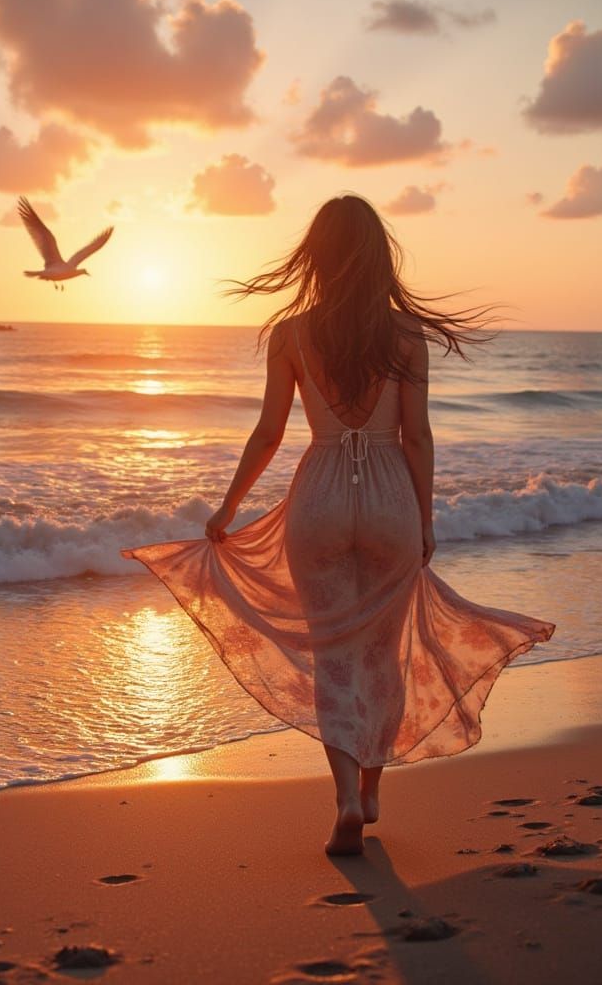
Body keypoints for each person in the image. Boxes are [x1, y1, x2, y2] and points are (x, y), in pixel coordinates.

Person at [121, 194, 555, 857]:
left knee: (334, 656)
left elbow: (269, 433)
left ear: (315, 257)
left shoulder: (291, 334)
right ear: (381, 256)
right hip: (389, 502)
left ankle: (346, 798)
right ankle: (374, 789)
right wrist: (425, 517)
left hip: (319, 496)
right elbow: (417, 437)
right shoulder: (406, 335)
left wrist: (229, 506)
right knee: (384, 652)